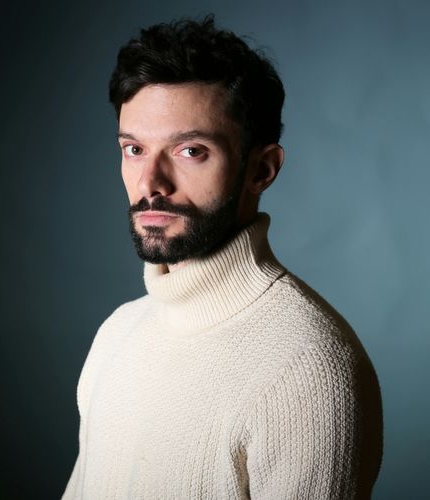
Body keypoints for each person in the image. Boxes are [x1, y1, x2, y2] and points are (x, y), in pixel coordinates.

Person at [62, 16, 383, 499]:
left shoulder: (308, 370)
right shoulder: (117, 332)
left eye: (190, 151)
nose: (150, 183)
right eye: (134, 149)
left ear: (261, 170)